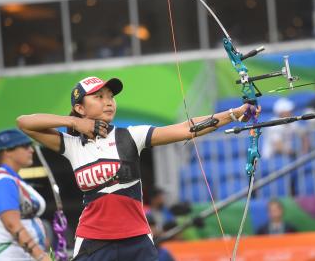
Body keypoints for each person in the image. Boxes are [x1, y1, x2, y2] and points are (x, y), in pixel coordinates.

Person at [17, 76, 259, 261]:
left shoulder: (132, 135)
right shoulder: (70, 145)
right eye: (98, 97)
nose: (108, 102)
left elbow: (186, 128)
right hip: (93, 241)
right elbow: (24, 122)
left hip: (136, 238)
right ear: (80, 108)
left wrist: (232, 114)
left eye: (110, 96)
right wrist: (72, 122)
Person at [0, 129, 50, 261]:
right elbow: (12, 225)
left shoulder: (10, 179)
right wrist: (40, 255)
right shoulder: (3, 181)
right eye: (25, 146)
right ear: (7, 151)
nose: (31, 150)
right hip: (9, 255)